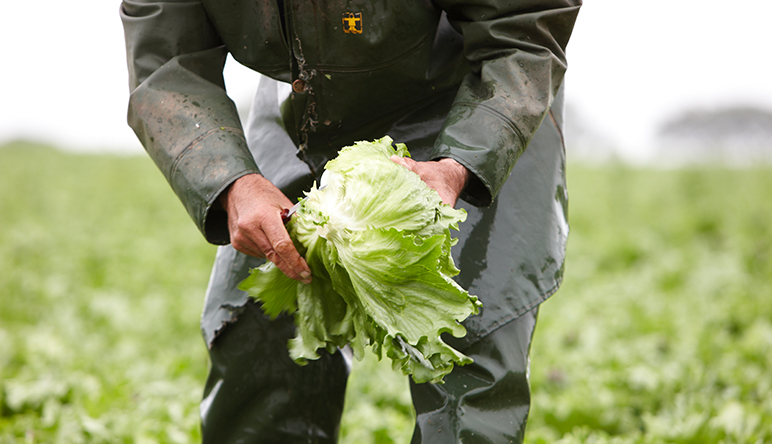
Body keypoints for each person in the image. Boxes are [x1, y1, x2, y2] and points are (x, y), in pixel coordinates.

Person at [121, 0, 581, 442]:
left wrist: (459, 163)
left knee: (469, 354)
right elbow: (165, 61)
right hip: (304, 107)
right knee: (260, 339)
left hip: (474, 98)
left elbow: (524, 23)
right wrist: (231, 180)